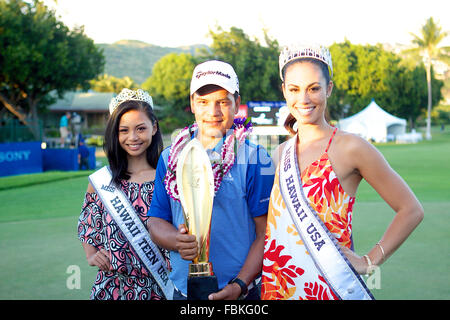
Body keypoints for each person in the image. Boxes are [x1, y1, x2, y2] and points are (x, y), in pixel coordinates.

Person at [261, 44, 424, 300]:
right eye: (294, 89)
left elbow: (411, 210)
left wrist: (369, 261)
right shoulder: (278, 155)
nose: (303, 99)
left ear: (329, 88)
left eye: (314, 88)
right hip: (278, 289)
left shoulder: (351, 147)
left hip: (329, 288)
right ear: (284, 91)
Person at [147, 60, 275, 300]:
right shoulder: (169, 157)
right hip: (184, 293)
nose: (213, 112)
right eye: (204, 102)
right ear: (192, 103)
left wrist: (240, 284)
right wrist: (177, 241)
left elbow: (265, 233)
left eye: (223, 102)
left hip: (240, 293)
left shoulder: (256, 158)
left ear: (237, 104)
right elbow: (156, 221)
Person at [77, 88, 169, 300]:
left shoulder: (166, 178)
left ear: (154, 128)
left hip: (161, 287)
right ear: (114, 133)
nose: (133, 137)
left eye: (140, 128)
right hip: (114, 287)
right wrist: (91, 254)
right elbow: (87, 223)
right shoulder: (102, 181)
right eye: (123, 130)